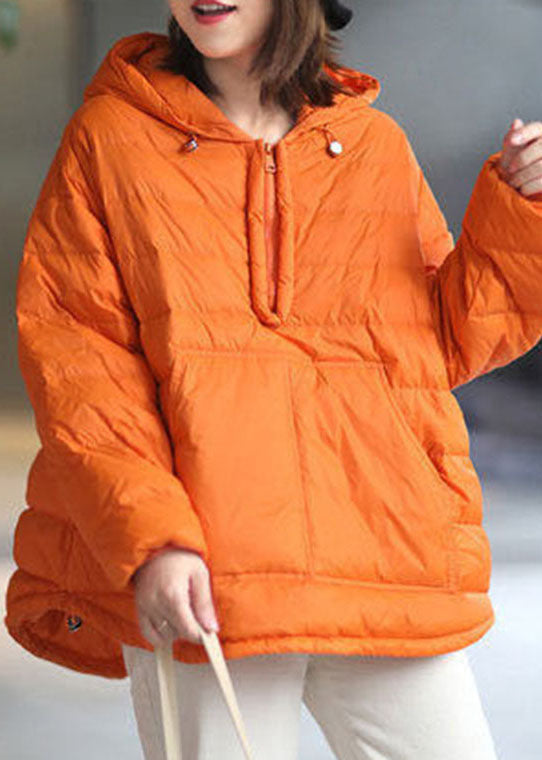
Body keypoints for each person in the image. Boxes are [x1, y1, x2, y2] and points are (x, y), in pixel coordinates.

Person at [5, 0, 542, 757]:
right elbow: (83, 367)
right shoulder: (111, 138)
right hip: (208, 571)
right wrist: (153, 541)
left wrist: (524, 210)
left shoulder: (372, 144)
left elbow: (441, 345)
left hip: (381, 548)